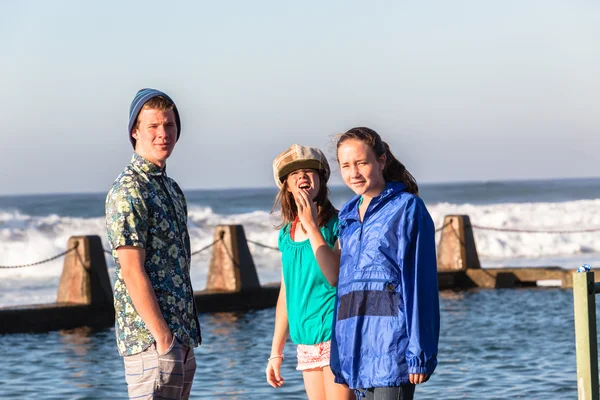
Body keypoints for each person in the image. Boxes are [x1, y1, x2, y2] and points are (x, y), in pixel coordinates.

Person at [329, 127, 440, 400]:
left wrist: (419, 352)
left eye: (361, 163)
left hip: (393, 350)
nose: (353, 173)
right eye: (345, 166)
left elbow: (419, 283)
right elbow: (344, 290)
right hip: (355, 352)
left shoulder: (408, 208)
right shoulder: (347, 217)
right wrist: (339, 353)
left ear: (381, 161)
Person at [105, 88, 201, 400]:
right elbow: (132, 271)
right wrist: (163, 339)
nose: (163, 134)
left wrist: (180, 342)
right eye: (153, 126)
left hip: (179, 340)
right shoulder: (130, 190)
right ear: (135, 131)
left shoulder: (170, 188)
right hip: (150, 344)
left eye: (169, 126)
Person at [266, 144, 353, 400]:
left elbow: (335, 276)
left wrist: (312, 225)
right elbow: (286, 292)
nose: (302, 176)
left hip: (334, 333)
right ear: (286, 186)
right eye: (294, 174)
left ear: (321, 181)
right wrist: (276, 352)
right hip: (305, 339)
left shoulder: (339, 224)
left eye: (309, 171)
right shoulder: (286, 234)